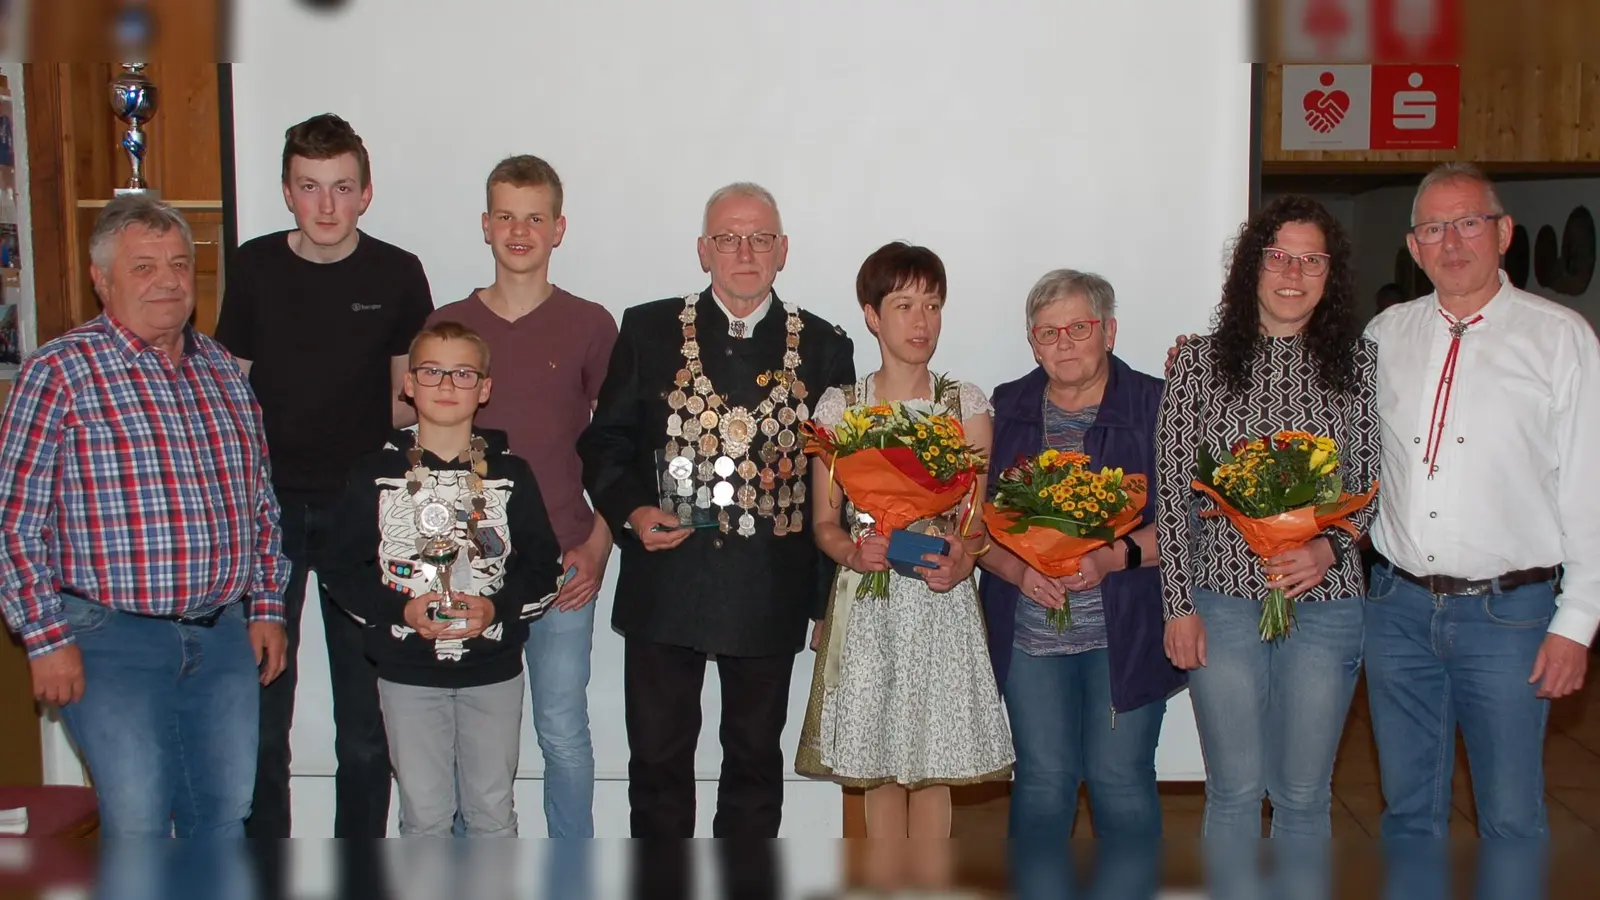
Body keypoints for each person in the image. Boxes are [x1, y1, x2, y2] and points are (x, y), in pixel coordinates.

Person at [0, 195, 289, 836]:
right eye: (143, 266)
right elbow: (14, 522)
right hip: (110, 642)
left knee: (223, 819)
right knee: (137, 824)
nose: (168, 279)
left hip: (221, 641)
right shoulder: (59, 372)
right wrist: (46, 641)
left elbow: (260, 504)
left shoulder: (222, 371)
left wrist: (267, 605)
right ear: (101, 280)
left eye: (180, 263)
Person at [577, 182, 856, 839]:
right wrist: (634, 513)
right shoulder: (647, 329)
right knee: (657, 762)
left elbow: (833, 480)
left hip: (771, 587)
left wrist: (825, 602)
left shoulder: (822, 346)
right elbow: (604, 444)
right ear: (703, 250)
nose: (744, 251)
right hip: (665, 581)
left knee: (756, 766)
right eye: (728, 237)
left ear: (783, 250)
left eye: (760, 238)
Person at [215, 113, 435, 839]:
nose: (328, 206)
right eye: (311, 188)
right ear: (287, 191)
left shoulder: (398, 273)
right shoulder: (253, 269)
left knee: (364, 725)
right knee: (260, 714)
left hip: (360, 518)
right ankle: (263, 864)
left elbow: (414, 407)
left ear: (366, 192)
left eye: (342, 188)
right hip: (267, 514)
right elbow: (232, 398)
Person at [1362, 162, 1598, 838]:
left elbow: (1590, 487)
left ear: (1504, 233)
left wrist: (1576, 621)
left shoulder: (1561, 340)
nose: (1453, 242)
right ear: (1414, 248)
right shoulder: (1385, 336)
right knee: (1406, 815)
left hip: (1511, 617)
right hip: (1396, 611)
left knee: (1510, 817)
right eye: (1434, 228)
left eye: (1469, 222)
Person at [1156, 195, 1379, 837]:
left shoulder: (1358, 365)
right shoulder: (1197, 364)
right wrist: (1179, 606)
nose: (1293, 272)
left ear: (1329, 275)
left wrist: (1326, 551)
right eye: (1279, 255)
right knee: (1233, 791)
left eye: (1311, 260)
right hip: (1220, 601)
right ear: (1252, 266)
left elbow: (1369, 483)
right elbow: (1173, 496)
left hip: (1327, 601)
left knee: (1305, 795)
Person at [794, 242, 1012, 852]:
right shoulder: (841, 407)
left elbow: (977, 520)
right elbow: (825, 523)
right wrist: (851, 553)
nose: (922, 322)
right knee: (877, 774)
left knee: (933, 770)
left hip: (940, 604)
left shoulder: (963, 404)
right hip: (868, 603)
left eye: (934, 306)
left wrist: (965, 557)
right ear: (871, 315)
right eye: (905, 305)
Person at [427, 154, 617, 838]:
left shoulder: (591, 325)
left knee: (562, 728)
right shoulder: (449, 326)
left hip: (565, 560)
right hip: (469, 569)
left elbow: (617, 449)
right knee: (464, 735)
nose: (519, 230)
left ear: (557, 228)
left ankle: (572, 870)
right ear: (485, 224)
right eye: (505, 215)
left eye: (534, 217)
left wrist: (598, 544)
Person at [320, 321, 564, 837]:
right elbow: (341, 569)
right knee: (424, 817)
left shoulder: (512, 473)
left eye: (462, 373)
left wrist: (497, 609)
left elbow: (544, 568)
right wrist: (400, 611)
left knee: (493, 816)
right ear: (408, 383)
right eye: (431, 372)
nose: (447, 385)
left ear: (485, 388)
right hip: (407, 671)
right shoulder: (371, 472)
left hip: (493, 671)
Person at [976, 269, 1180, 845]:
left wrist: (1113, 558)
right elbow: (974, 523)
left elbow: (1188, 523)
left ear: (1109, 331)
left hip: (1127, 632)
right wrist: (1019, 569)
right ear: (1031, 342)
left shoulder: (1155, 405)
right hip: (1029, 634)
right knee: (1043, 782)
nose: (1062, 344)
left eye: (1078, 328)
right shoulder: (1006, 406)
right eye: (1047, 333)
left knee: (1120, 780)